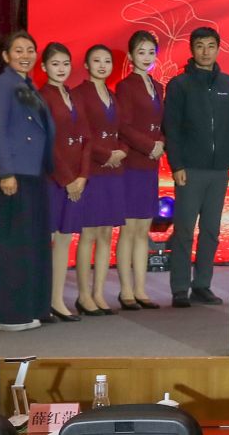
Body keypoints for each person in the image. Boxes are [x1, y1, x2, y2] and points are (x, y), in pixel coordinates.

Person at [163, 25, 229, 309]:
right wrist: (176, 164)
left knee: (211, 230)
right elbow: (171, 129)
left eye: (211, 46)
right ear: (192, 50)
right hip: (190, 169)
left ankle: (202, 285)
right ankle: (179, 288)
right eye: (200, 46)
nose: (206, 52)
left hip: (219, 170)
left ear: (218, 49)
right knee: (184, 229)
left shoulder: (228, 84)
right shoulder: (179, 85)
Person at [0, 30, 53, 331]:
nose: (25, 56)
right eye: (19, 50)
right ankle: (8, 315)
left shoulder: (27, 85)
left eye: (30, 50)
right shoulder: (3, 84)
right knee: (11, 245)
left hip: (33, 172)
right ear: (6, 56)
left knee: (30, 244)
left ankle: (31, 308)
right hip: (15, 173)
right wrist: (5, 172)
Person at [77, 43, 133, 310]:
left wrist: (122, 151)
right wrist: (105, 155)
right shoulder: (79, 94)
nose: (102, 66)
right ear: (86, 65)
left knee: (106, 233)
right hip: (93, 169)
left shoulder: (112, 95)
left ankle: (98, 293)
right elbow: (80, 133)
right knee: (88, 233)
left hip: (114, 171)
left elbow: (122, 130)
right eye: (97, 61)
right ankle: (83, 295)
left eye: (107, 61)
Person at [113, 31, 166, 310]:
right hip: (133, 163)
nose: (146, 57)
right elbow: (123, 126)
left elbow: (164, 123)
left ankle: (141, 290)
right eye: (141, 52)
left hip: (151, 164)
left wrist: (161, 144)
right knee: (129, 229)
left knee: (144, 228)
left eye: (150, 52)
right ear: (131, 55)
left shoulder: (158, 86)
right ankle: (126, 291)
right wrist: (149, 145)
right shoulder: (125, 86)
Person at [40, 43, 89, 321]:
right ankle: (43, 299)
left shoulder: (73, 95)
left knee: (64, 239)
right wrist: (67, 179)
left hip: (76, 179)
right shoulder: (42, 96)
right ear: (44, 67)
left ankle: (57, 300)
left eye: (66, 64)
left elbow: (86, 138)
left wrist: (82, 176)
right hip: (53, 180)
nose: (61, 69)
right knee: (48, 239)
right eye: (55, 64)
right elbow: (47, 142)